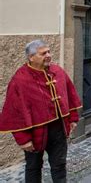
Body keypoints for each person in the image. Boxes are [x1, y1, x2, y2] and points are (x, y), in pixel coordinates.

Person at [0, 40, 82, 182]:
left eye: (49, 51)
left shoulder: (58, 71)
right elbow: (14, 113)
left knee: (59, 166)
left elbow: (70, 94)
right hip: (35, 133)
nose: (49, 55)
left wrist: (73, 118)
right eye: (43, 53)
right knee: (33, 167)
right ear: (31, 57)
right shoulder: (20, 79)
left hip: (59, 129)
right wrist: (23, 139)